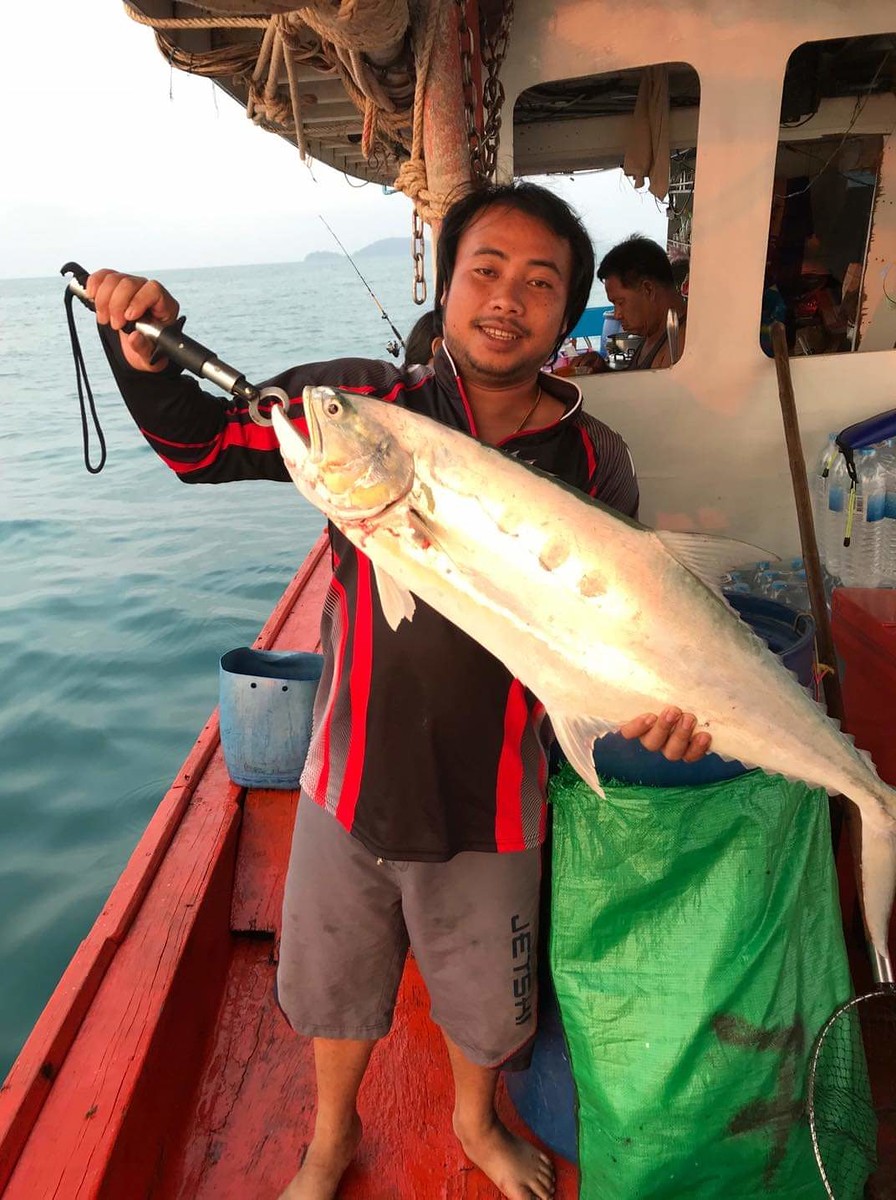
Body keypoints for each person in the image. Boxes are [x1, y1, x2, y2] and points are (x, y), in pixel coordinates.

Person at [86, 181, 710, 1200]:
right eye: (486, 271)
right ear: (451, 284)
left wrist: (666, 709)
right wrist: (146, 352)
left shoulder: (596, 459)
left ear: (566, 312)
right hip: (350, 778)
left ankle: (471, 1121)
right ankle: (330, 1139)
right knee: (334, 986)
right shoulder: (365, 410)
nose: (506, 297)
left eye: (539, 281)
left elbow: (609, 635)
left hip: (497, 798)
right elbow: (201, 447)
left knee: (486, 1007)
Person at [597, 235, 687, 370]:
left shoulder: (681, 344)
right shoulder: (651, 332)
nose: (617, 315)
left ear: (648, 289)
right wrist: (602, 368)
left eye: (620, 303)